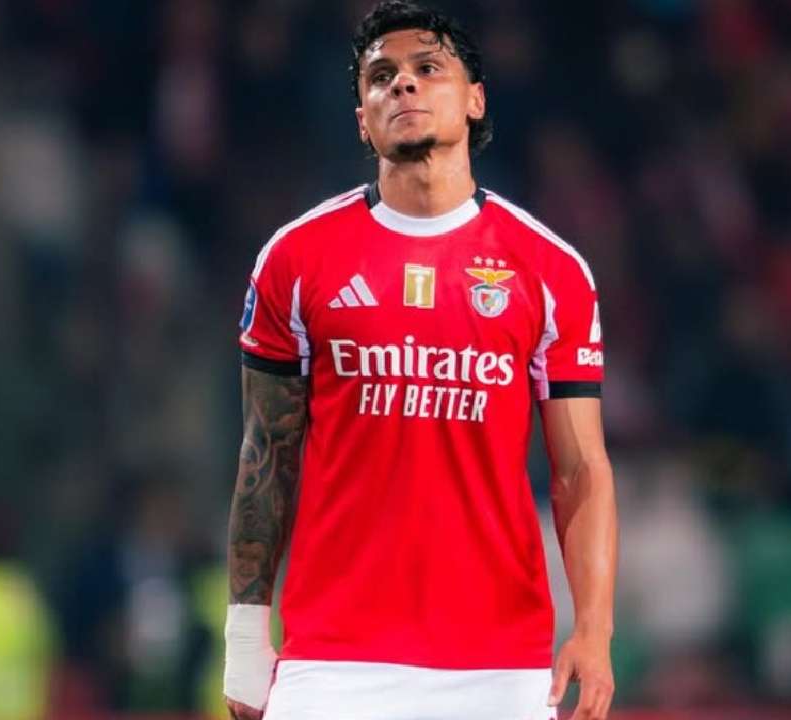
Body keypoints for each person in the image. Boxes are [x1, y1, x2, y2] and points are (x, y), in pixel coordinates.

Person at [224, 2, 618, 718]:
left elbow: (580, 469)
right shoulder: (295, 258)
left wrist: (593, 630)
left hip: (499, 666)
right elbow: (266, 455)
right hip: (332, 664)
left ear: (476, 99)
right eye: (381, 77)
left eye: (427, 68)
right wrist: (245, 639)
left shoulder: (550, 270)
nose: (401, 84)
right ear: (362, 121)